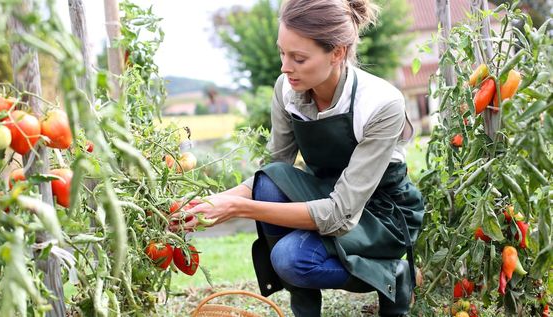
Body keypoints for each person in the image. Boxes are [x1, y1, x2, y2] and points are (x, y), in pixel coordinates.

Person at [172, 0, 425, 316]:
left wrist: (237, 208)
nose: (284, 67)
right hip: (326, 193)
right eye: (282, 53)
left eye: (299, 58)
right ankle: (305, 309)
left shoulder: (380, 104)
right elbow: (273, 172)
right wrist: (209, 204)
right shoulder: (287, 89)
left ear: (337, 53)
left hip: (381, 215)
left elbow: (341, 214)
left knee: (291, 259)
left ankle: (393, 275)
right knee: (270, 178)